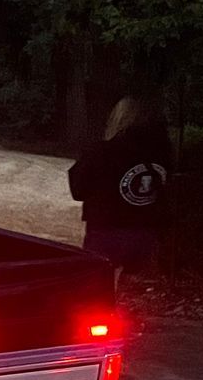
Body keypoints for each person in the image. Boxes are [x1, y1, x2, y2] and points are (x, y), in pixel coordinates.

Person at [67, 96, 173, 271]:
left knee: (98, 285)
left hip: (105, 231)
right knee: (136, 286)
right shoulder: (164, 153)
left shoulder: (101, 151)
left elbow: (78, 190)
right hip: (147, 231)